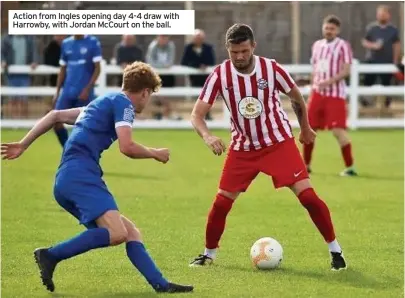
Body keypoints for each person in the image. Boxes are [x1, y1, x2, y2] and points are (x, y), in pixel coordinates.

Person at [1, 62, 194, 294]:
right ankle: (50, 255)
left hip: (67, 179)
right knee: (117, 233)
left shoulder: (100, 103)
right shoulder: (125, 105)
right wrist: (155, 153)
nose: (148, 99)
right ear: (145, 92)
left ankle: (161, 285)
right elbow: (127, 146)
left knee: (129, 231)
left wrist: (23, 144)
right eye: (150, 95)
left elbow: (54, 116)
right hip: (81, 177)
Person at [188, 23, 347, 271]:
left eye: (244, 51)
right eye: (234, 52)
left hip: (278, 143)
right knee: (221, 204)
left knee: (308, 197)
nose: (239, 57)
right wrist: (208, 136)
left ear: (253, 46)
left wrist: (304, 129)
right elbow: (196, 115)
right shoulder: (220, 75)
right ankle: (208, 254)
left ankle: (335, 250)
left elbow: (296, 97)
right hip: (242, 149)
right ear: (227, 49)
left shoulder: (271, 68)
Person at [304, 15, 357, 177]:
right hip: (317, 94)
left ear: (337, 30)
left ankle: (350, 167)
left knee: (337, 131)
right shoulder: (317, 46)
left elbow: (346, 70)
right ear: (323, 28)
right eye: (327, 28)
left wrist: (328, 82)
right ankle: (305, 166)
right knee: (309, 129)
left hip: (335, 95)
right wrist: (313, 88)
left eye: (332, 29)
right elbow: (315, 69)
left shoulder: (343, 46)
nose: (329, 31)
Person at [53, 35, 102, 148]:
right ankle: (67, 148)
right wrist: (57, 91)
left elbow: (97, 68)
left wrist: (87, 88)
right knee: (56, 121)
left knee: (85, 125)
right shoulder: (66, 43)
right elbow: (62, 69)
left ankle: (82, 152)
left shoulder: (92, 42)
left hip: (84, 92)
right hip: (67, 91)